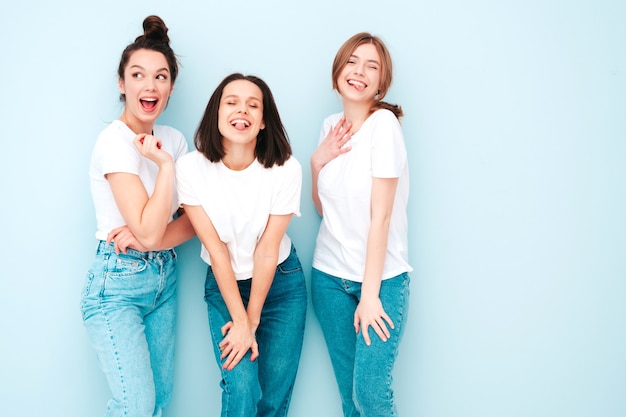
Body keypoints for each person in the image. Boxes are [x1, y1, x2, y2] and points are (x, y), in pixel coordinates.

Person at [81, 15, 195, 417]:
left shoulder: (177, 140)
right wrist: (165, 168)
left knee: (159, 405)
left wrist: (155, 239)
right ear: (122, 83)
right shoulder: (113, 142)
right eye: (138, 75)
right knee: (136, 405)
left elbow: (195, 220)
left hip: (164, 277)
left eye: (161, 77)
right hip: (117, 282)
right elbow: (150, 227)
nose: (150, 86)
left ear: (171, 87)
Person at [176, 73, 307, 417]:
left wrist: (249, 321)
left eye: (253, 105)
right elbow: (217, 250)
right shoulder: (190, 169)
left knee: (273, 395)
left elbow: (266, 251)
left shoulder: (285, 169)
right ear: (216, 113)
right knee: (241, 384)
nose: (242, 110)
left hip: (281, 282)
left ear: (263, 121)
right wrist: (241, 321)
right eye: (231, 102)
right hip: (224, 284)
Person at [310, 32, 413, 417]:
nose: (359, 72)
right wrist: (317, 161)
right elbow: (325, 210)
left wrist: (370, 296)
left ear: (381, 83)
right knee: (349, 400)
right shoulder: (329, 126)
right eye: (352, 61)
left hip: (381, 280)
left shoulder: (384, 124)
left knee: (370, 395)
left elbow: (381, 217)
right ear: (338, 70)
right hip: (329, 277)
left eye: (372, 66)